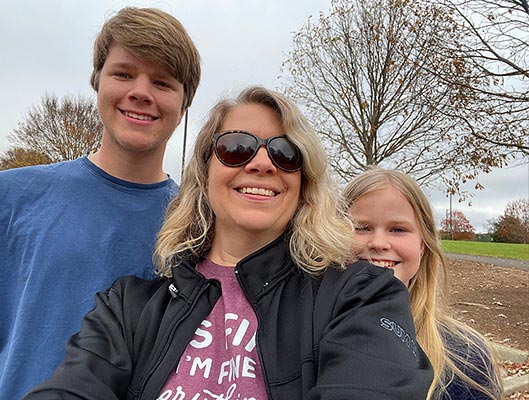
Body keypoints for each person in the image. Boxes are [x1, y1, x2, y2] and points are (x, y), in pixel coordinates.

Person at [24, 86, 433, 399]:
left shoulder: (361, 295)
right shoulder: (128, 307)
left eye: (285, 153)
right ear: (204, 172)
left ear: (303, 179)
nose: (261, 163)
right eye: (236, 147)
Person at [0, 7, 201, 400]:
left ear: (184, 102)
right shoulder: (12, 198)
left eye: (162, 82)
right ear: (97, 81)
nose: (141, 92)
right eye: (123, 73)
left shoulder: (199, 225)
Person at [342, 166, 504, 400]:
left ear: (422, 245)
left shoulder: (466, 358)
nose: (378, 242)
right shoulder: (301, 338)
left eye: (398, 229)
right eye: (361, 228)